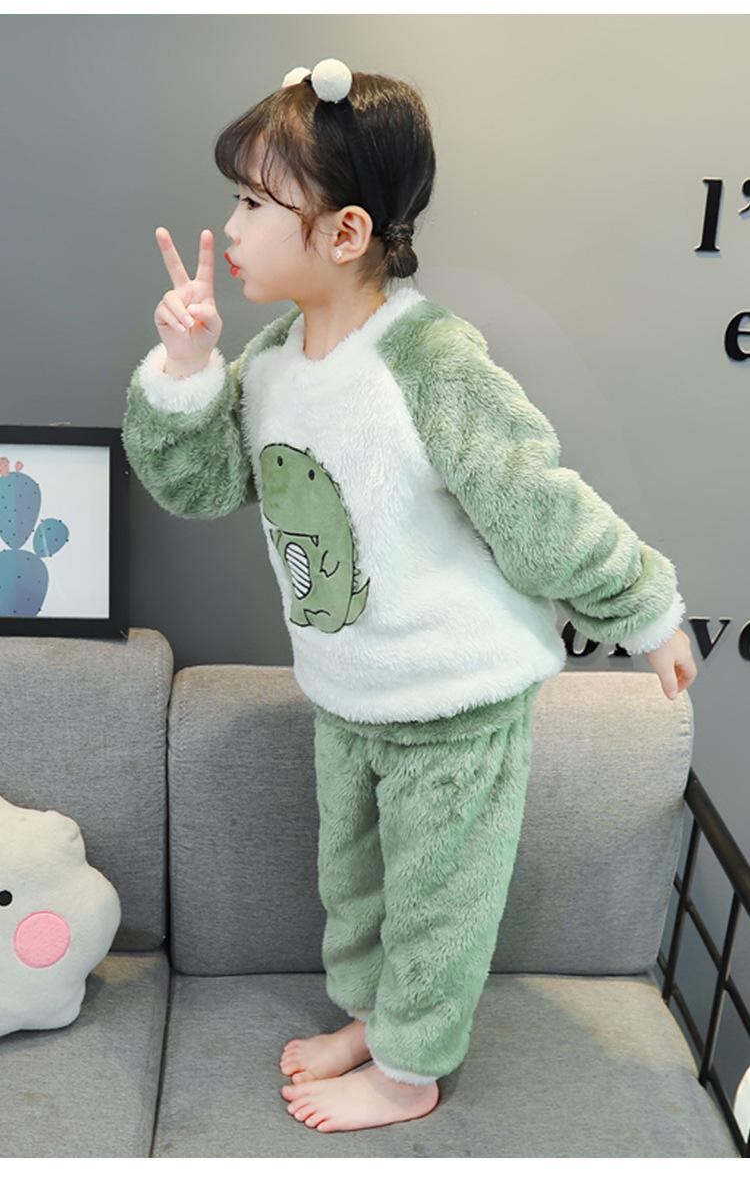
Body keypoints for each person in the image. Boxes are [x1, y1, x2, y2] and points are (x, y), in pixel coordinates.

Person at [121, 58, 698, 1134]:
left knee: (440, 897)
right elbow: (200, 485)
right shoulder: (273, 361)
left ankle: (410, 1067)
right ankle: (371, 1017)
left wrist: (643, 609)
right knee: (354, 880)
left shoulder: (430, 359)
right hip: (350, 688)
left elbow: (533, 499)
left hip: (456, 694)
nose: (231, 229)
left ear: (344, 232)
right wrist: (187, 367)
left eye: (254, 204)